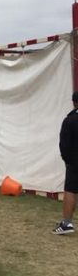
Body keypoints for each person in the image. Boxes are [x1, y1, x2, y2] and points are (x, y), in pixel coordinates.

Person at [53, 91, 78, 234]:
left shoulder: (70, 120)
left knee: (70, 190)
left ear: (74, 103)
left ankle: (66, 223)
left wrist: (67, 160)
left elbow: (64, 145)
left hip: (75, 162)